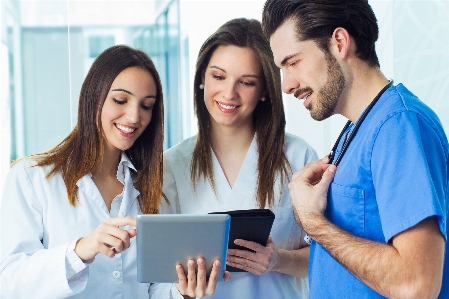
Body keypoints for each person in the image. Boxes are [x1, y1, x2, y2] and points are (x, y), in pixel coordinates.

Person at [262, 0, 449, 298]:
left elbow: (417, 284)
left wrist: (312, 222)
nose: (286, 85)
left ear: (339, 42)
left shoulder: (400, 125)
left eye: (293, 62)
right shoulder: (359, 128)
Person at [150, 18, 318, 299]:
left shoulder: (298, 157)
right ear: (202, 78)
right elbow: (155, 281)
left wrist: (278, 260)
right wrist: (184, 291)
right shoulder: (172, 166)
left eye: (247, 82)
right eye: (218, 76)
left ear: (264, 89)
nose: (229, 93)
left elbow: (330, 257)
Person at [0, 45, 165, 298]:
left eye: (147, 105)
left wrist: (183, 291)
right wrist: (80, 251)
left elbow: (153, 289)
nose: (134, 116)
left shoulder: (151, 186)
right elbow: (10, 282)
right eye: (120, 100)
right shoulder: (31, 178)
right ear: (93, 97)